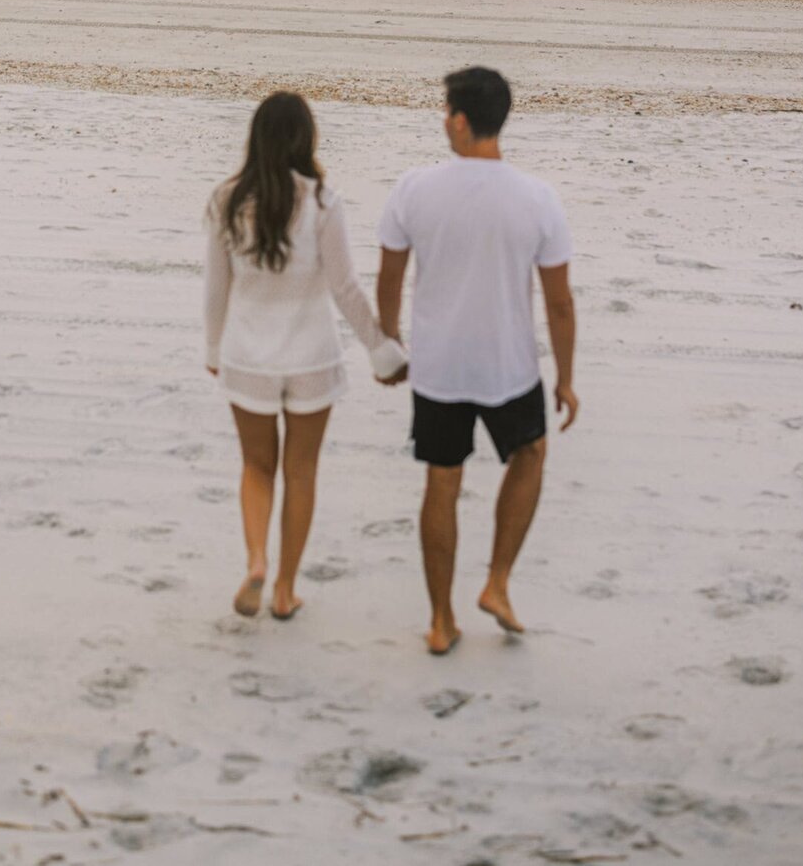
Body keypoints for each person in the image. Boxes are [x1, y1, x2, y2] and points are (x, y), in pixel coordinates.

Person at [376, 66, 578, 654]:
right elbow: (559, 302)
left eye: (446, 112)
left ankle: (441, 622)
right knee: (530, 453)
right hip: (508, 366)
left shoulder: (414, 188)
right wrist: (565, 378)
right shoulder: (537, 197)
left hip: (438, 368)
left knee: (442, 481)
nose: (444, 121)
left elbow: (390, 278)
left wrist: (390, 346)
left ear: (461, 122)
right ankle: (496, 582)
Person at [205, 91, 408, 621]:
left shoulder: (226, 199)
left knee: (255, 466)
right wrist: (381, 348)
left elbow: (215, 287)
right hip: (312, 359)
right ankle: (286, 589)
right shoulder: (321, 201)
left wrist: (212, 348)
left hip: (248, 355)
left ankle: (255, 560)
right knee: (301, 471)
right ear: (306, 139)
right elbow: (345, 288)